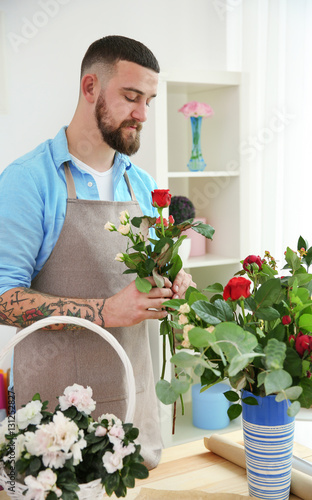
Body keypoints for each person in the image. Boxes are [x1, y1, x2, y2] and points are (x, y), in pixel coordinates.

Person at [0, 35, 194, 469]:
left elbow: (143, 282)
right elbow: (3, 300)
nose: (142, 114)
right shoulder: (28, 181)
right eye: (130, 97)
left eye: (149, 100)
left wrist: (172, 282)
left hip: (133, 408)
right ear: (90, 88)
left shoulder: (140, 185)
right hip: (53, 422)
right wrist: (106, 312)